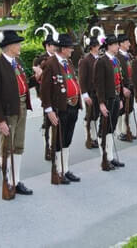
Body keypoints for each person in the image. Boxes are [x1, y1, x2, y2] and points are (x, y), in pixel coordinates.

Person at [0, 30, 33, 198]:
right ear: (10, 46)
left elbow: (24, 84)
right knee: (7, 147)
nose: (20, 46)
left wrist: (36, 77)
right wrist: (0, 120)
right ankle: (7, 182)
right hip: (7, 111)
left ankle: (16, 180)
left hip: (21, 107)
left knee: (18, 145)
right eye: (18, 44)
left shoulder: (17, 62)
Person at [41, 34, 81, 184]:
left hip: (73, 105)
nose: (72, 50)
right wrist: (48, 109)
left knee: (67, 139)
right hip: (60, 108)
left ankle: (65, 169)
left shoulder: (68, 62)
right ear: (63, 48)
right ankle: (57, 170)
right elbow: (45, 89)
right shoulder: (50, 63)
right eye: (70, 47)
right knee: (59, 140)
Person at [94, 34, 125, 170]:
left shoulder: (116, 60)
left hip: (116, 97)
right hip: (106, 99)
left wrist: (121, 99)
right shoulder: (101, 61)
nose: (118, 46)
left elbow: (120, 80)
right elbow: (99, 84)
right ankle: (104, 159)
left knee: (111, 129)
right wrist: (101, 103)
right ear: (110, 46)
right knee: (104, 128)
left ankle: (111, 157)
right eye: (116, 44)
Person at [32, 26, 58, 161]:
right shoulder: (40, 59)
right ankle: (47, 146)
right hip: (46, 95)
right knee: (47, 122)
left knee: (57, 121)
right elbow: (36, 78)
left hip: (58, 95)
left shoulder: (59, 58)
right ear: (47, 45)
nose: (55, 47)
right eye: (53, 45)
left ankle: (55, 146)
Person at [79, 35, 100, 149]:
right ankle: (90, 137)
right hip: (90, 92)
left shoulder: (99, 58)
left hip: (98, 92)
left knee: (96, 115)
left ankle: (94, 136)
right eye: (97, 45)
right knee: (90, 115)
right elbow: (82, 79)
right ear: (92, 47)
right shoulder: (85, 60)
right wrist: (84, 94)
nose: (99, 47)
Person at [115, 32, 136, 142]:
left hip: (131, 86)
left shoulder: (129, 56)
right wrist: (123, 87)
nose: (129, 44)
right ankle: (119, 132)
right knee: (121, 110)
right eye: (127, 42)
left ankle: (126, 130)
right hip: (122, 87)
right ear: (121, 43)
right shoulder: (117, 57)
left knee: (130, 109)